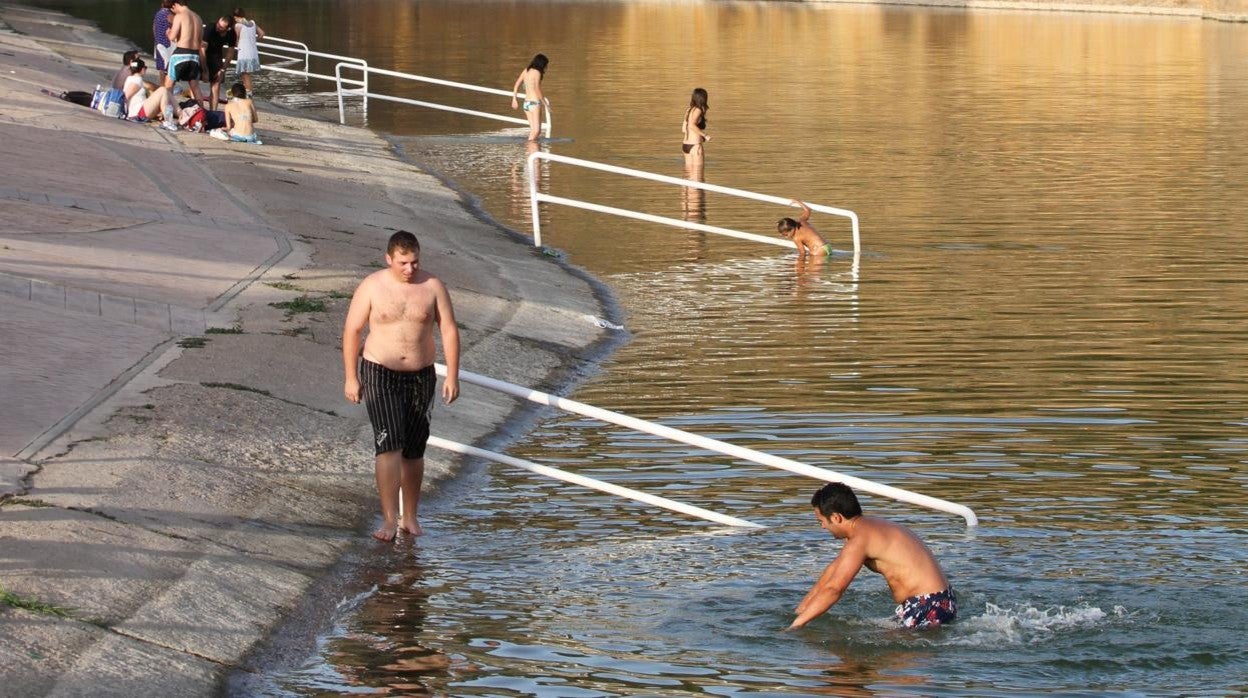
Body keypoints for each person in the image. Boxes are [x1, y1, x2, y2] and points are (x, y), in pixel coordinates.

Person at [343, 231, 461, 541]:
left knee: (414, 449)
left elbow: (449, 330)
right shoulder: (372, 286)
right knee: (389, 443)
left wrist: (452, 376)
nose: (410, 269)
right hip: (380, 371)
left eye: (414, 262)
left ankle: (410, 517)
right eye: (403, 263)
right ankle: (388, 519)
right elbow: (352, 330)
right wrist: (351, 377)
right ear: (389, 259)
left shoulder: (432, 286)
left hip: (421, 375)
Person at [790, 483, 957, 631]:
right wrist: (801, 610)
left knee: (869, 651)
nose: (823, 527)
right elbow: (832, 572)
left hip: (928, 606)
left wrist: (795, 627)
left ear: (836, 517)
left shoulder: (860, 539)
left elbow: (834, 589)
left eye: (821, 521)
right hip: (941, 601)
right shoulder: (867, 528)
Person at [164, 0, 205, 107]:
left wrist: (168, 33)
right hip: (194, 55)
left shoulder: (179, 16)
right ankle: (202, 113)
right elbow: (200, 42)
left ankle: (167, 112)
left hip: (180, 54)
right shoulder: (198, 18)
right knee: (195, 87)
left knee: (168, 85)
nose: (173, 10)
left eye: (173, 7)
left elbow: (172, 37)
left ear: (176, 4)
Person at [122, 58, 180, 130]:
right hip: (137, 113)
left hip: (139, 111)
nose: (145, 70)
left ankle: (180, 115)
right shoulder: (137, 80)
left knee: (165, 91)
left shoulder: (130, 78)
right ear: (142, 69)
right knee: (163, 90)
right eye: (145, 68)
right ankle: (170, 119)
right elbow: (126, 96)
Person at [510, 53, 548, 142]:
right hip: (534, 103)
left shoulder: (526, 70)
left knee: (534, 131)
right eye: (546, 65)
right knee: (536, 131)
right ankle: (529, 146)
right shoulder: (537, 73)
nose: (546, 67)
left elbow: (516, 84)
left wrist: (514, 99)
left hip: (526, 104)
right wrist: (545, 104)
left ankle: (531, 149)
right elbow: (537, 89)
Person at [202, 16, 237, 111]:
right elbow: (202, 49)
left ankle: (213, 112)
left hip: (216, 56)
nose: (218, 27)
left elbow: (230, 53)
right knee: (194, 81)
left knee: (216, 85)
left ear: (228, 29)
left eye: (221, 27)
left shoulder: (232, 33)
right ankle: (197, 110)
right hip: (203, 55)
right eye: (218, 24)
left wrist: (223, 70)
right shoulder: (211, 27)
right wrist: (205, 70)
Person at [232, 7, 264, 98]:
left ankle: (249, 96)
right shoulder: (253, 23)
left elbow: (235, 40)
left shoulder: (238, 26)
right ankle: (247, 94)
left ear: (235, 17)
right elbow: (262, 34)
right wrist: (253, 40)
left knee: (245, 76)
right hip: (253, 52)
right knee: (246, 75)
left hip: (244, 52)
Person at [681, 88, 710, 168]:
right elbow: (691, 125)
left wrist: (699, 136)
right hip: (695, 146)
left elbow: (684, 129)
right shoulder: (698, 110)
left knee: (688, 174)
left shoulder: (689, 110)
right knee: (699, 173)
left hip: (685, 145)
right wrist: (705, 135)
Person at [152, 0, 173, 80]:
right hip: (168, 43)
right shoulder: (170, 15)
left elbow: (154, 27)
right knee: (168, 66)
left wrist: (157, 39)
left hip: (159, 42)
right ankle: (167, 85)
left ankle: (162, 84)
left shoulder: (158, 13)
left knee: (162, 67)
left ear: (162, 4)